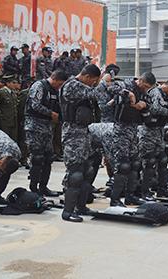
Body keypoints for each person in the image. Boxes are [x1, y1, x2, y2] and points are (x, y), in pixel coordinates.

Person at [59, 64, 111, 222]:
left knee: (88, 169)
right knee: (75, 173)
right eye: (93, 81)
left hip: (84, 131)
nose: (93, 83)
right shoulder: (71, 86)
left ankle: (81, 206)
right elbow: (95, 93)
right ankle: (67, 211)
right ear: (87, 77)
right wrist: (104, 82)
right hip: (73, 133)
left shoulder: (80, 86)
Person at [110, 72, 156, 206]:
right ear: (140, 80)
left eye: (148, 87)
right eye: (145, 85)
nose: (145, 89)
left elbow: (150, 107)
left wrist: (144, 105)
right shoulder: (126, 84)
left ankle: (130, 196)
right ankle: (115, 199)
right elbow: (110, 87)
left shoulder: (144, 92)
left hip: (134, 129)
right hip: (121, 129)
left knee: (135, 164)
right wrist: (127, 93)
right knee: (123, 165)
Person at [25, 70, 69, 196]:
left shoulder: (54, 91)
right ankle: (34, 189)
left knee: (49, 158)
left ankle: (43, 187)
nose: (59, 87)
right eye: (59, 84)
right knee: (37, 158)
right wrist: (50, 113)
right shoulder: (39, 86)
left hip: (47, 128)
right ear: (54, 78)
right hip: (34, 127)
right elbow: (34, 105)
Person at [139, 78, 168, 198]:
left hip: (158, 131)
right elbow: (155, 108)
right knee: (149, 162)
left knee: (163, 160)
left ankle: (162, 189)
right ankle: (144, 192)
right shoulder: (156, 92)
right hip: (148, 132)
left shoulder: (166, 95)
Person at [0, 127, 21, 205]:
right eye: (1, 168)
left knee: (5, 174)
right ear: (0, 162)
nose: (1, 171)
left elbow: (2, 171)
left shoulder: (17, 153)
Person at [0, 75, 19, 141]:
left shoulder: (13, 93)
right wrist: (1, 117)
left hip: (14, 120)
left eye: (16, 83)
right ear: (8, 83)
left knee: (13, 139)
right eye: (13, 83)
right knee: (5, 139)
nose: (15, 85)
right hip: (5, 121)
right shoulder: (1, 92)